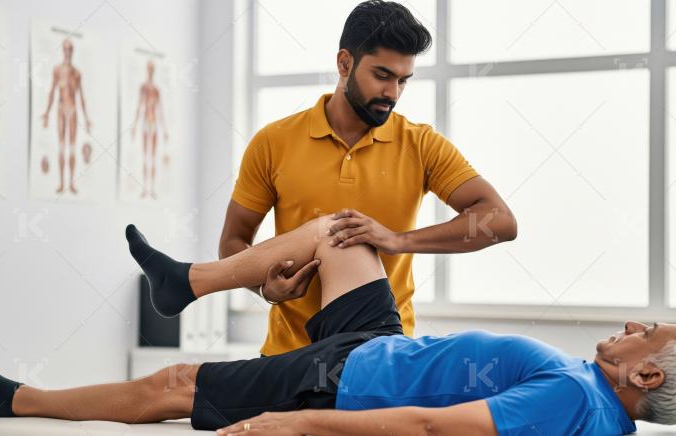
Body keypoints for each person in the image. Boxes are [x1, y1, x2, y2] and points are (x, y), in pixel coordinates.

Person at [0, 217, 676, 435]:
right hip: (381, 344)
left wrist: (301, 427)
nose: (630, 324)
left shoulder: (568, 399)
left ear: (646, 374)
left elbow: (429, 426)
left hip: (351, 378)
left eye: (646, 330)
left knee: (175, 384)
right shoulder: (596, 408)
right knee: (342, 232)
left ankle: (12, 401)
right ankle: (182, 284)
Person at [219, 0, 518, 357]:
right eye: (382, 75)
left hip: (382, 363)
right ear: (345, 63)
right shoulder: (273, 141)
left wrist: (397, 240)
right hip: (286, 358)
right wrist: (264, 289)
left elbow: (499, 220)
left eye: (403, 81)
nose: (393, 93)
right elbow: (233, 244)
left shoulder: (421, 144)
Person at [41, 39, 91, 195]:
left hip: (73, 109)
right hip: (61, 109)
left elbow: (81, 96)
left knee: (72, 147)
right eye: (65, 49)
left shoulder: (76, 73)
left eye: (70, 49)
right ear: (63, 51)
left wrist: (87, 118)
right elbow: (52, 91)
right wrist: (47, 113)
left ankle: (71, 183)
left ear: (72, 51)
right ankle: (62, 183)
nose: (67, 52)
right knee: (62, 146)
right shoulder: (57, 70)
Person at [132, 60, 167, 199]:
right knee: (145, 156)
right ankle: (145, 188)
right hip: (146, 122)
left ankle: (151, 188)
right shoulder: (144, 87)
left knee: (152, 157)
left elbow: (160, 110)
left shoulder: (156, 90)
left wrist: (164, 129)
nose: (150, 71)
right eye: (149, 68)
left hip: (154, 123)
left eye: (152, 68)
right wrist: (134, 126)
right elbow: (139, 106)